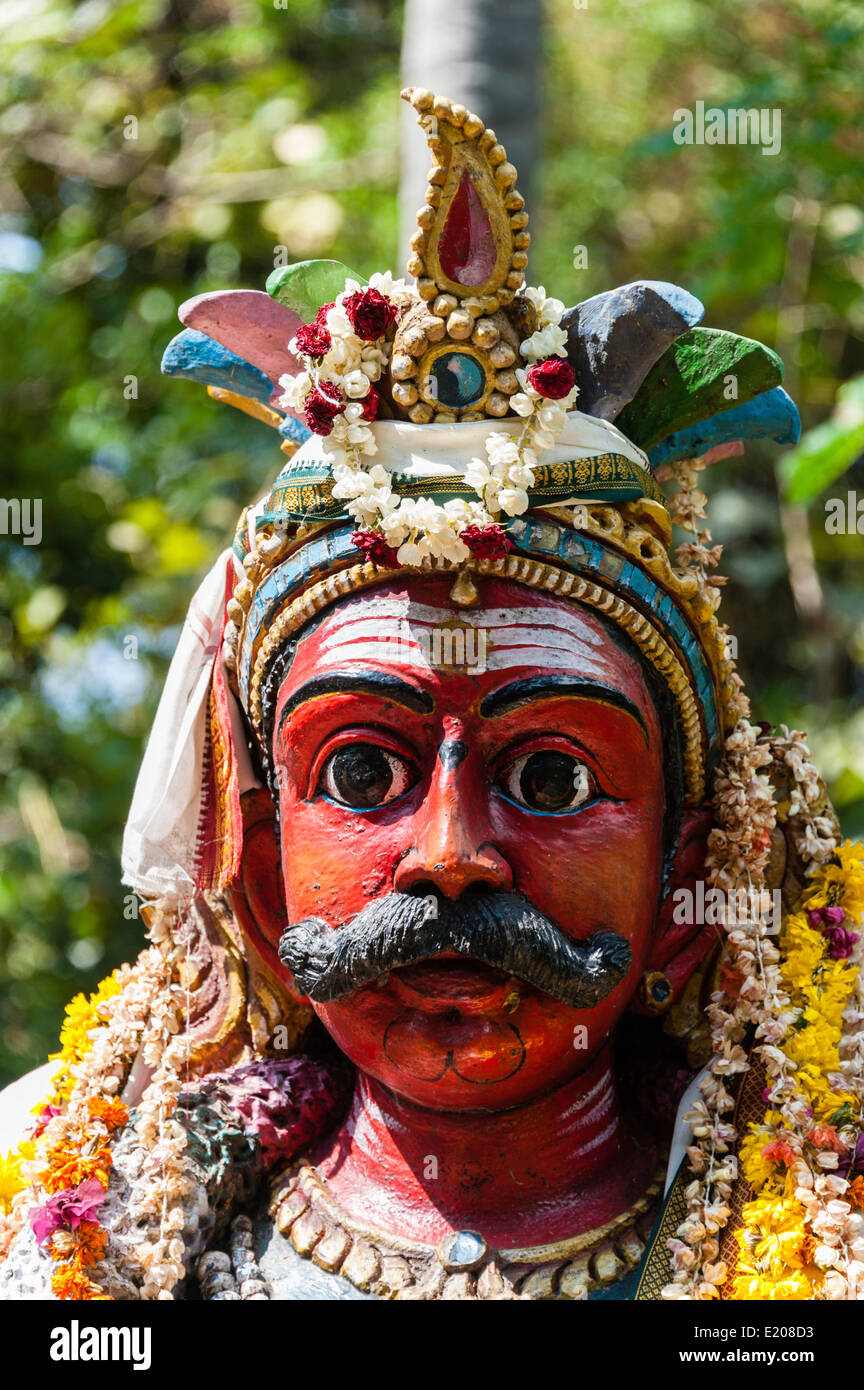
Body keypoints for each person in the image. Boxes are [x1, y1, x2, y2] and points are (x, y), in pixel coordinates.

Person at [2, 88, 862, 1303]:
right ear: (255, 866)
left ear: (690, 875)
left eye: (553, 776)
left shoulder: (834, 1240)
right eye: (361, 771)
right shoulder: (46, 1222)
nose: (449, 858)